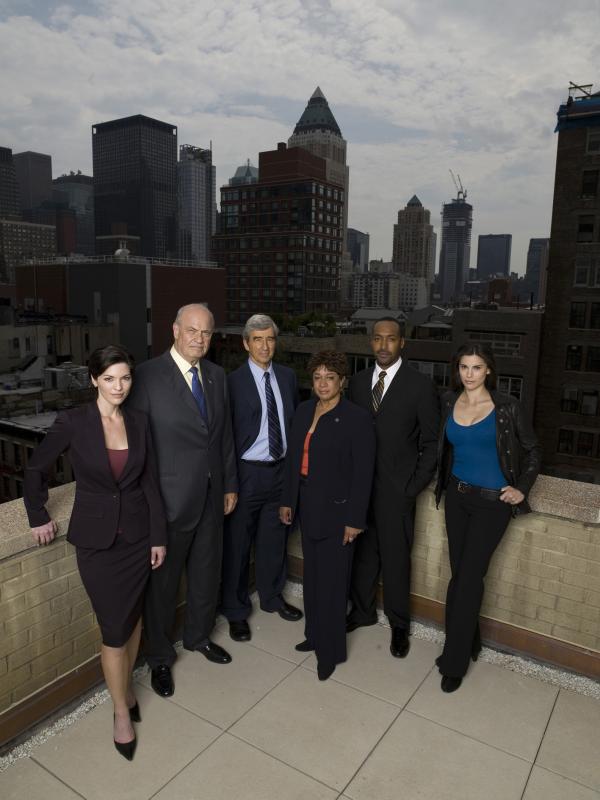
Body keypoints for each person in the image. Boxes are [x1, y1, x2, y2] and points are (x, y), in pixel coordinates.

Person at [23, 345, 167, 761]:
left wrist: (158, 537)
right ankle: (121, 711)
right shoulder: (74, 422)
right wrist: (36, 515)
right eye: (109, 379)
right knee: (113, 630)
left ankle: (124, 690)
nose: (119, 386)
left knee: (133, 619)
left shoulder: (139, 422)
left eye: (125, 378)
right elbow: (36, 469)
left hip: (138, 538)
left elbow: (150, 485)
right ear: (93, 380)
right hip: (97, 545)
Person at [128, 303, 238, 699]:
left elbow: (223, 436)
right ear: (175, 330)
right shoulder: (147, 376)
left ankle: (198, 637)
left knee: (208, 574)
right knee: (163, 587)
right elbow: (138, 448)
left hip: (212, 497)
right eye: (192, 330)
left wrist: (229, 485)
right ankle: (159, 657)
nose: (199, 338)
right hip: (168, 503)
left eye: (206, 332)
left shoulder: (215, 376)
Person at [434, 343, 541, 692]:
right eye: (464, 367)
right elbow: (446, 449)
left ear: (488, 371)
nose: (469, 374)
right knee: (460, 576)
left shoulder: (506, 406)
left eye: (476, 368)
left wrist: (522, 488)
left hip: (491, 505)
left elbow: (532, 450)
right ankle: (469, 642)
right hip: (457, 499)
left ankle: (454, 661)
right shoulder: (450, 401)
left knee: (466, 580)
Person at [346, 317, 440, 658]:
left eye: (391, 339)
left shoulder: (419, 386)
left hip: (396, 490)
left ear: (402, 343)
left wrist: (412, 486)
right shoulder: (356, 384)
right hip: (360, 489)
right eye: (377, 339)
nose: (383, 345)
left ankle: (400, 625)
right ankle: (362, 611)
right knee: (363, 554)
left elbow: (432, 442)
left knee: (397, 559)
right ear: (371, 343)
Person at [279, 351, 375, 681]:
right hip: (307, 505)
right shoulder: (304, 411)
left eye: (329, 377)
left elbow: (364, 474)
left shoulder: (356, 418)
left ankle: (330, 652)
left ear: (342, 381)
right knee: (314, 578)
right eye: (317, 377)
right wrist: (288, 500)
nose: (323, 383)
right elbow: (294, 461)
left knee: (334, 584)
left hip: (338, 512)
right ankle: (314, 635)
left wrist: (354, 519)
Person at [222, 314, 302, 642]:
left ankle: (271, 597)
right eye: (258, 340)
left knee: (274, 540)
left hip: (280, 472)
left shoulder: (287, 376)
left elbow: (293, 424)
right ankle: (236, 610)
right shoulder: (232, 382)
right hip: (246, 473)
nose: (265, 346)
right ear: (246, 343)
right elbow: (225, 436)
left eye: (270, 339)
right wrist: (230, 483)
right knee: (238, 545)